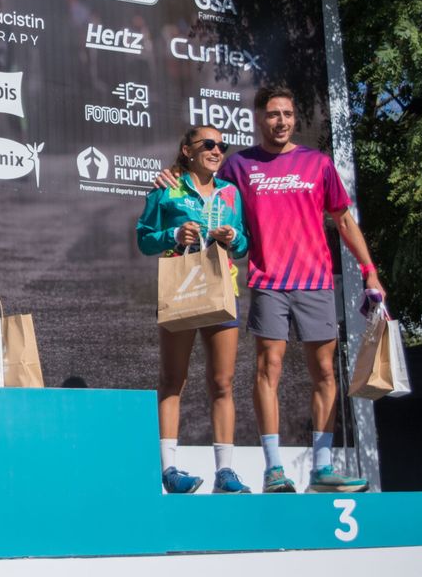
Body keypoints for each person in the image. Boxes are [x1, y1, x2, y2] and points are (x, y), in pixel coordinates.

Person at [158, 86, 384, 492]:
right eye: (273, 114)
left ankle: (322, 469)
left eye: (288, 114)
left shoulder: (317, 163)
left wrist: (369, 270)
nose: (281, 121)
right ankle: (274, 469)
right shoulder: (239, 164)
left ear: (295, 119)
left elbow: (344, 221)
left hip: (315, 280)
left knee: (325, 373)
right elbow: (201, 181)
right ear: (259, 118)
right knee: (268, 371)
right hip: (268, 282)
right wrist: (172, 176)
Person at [136, 126, 250, 494]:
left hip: (221, 287)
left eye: (222, 145)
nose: (217, 150)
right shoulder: (166, 188)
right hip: (182, 288)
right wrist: (173, 235)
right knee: (173, 380)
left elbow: (245, 242)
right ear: (187, 150)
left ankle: (225, 472)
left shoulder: (230, 193)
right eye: (209, 145)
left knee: (223, 382)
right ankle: (168, 469)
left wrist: (234, 238)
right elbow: (143, 238)